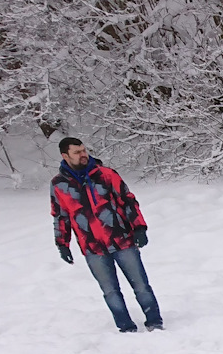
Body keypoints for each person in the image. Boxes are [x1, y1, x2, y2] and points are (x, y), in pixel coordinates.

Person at [50, 137, 163, 332]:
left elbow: (128, 201)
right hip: (92, 247)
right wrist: (62, 244)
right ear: (65, 156)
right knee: (110, 291)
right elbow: (60, 216)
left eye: (84, 150)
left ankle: (154, 322)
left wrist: (139, 228)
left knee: (141, 285)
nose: (83, 154)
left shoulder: (106, 174)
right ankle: (126, 327)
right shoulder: (59, 185)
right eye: (77, 152)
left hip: (122, 240)